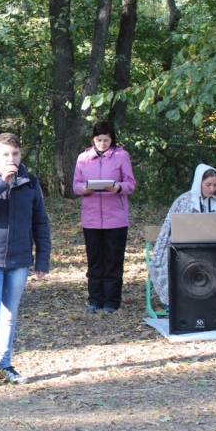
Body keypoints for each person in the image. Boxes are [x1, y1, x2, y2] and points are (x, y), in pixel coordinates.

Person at [0, 133, 51, 390]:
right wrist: (1, 183)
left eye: (14, 154)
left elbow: (41, 221)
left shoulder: (30, 182)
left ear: (20, 155)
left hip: (20, 258)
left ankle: (5, 364)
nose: (10, 158)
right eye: (5, 154)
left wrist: (43, 259)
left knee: (9, 315)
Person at [73, 121, 136, 314]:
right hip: (91, 219)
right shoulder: (83, 158)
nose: (102, 144)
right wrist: (84, 189)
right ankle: (95, 299)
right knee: (95, 261)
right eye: (98, 140)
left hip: (115, 219)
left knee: (113, 260)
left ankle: (111, 301)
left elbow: (131, 184)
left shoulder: (121, 156)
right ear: (93, 139)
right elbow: (75, 185)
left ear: (112, 139)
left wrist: (117, 188)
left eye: (106, 140)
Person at [150, 164, 216, 310]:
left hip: (211, 251)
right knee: (173, 265)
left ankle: (213, 303)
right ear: (199, 182)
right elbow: (169, 228)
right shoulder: (184, 201)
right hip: (184, 250)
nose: (211, 189)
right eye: (208, 185)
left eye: (215, 185)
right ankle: (177, 304)